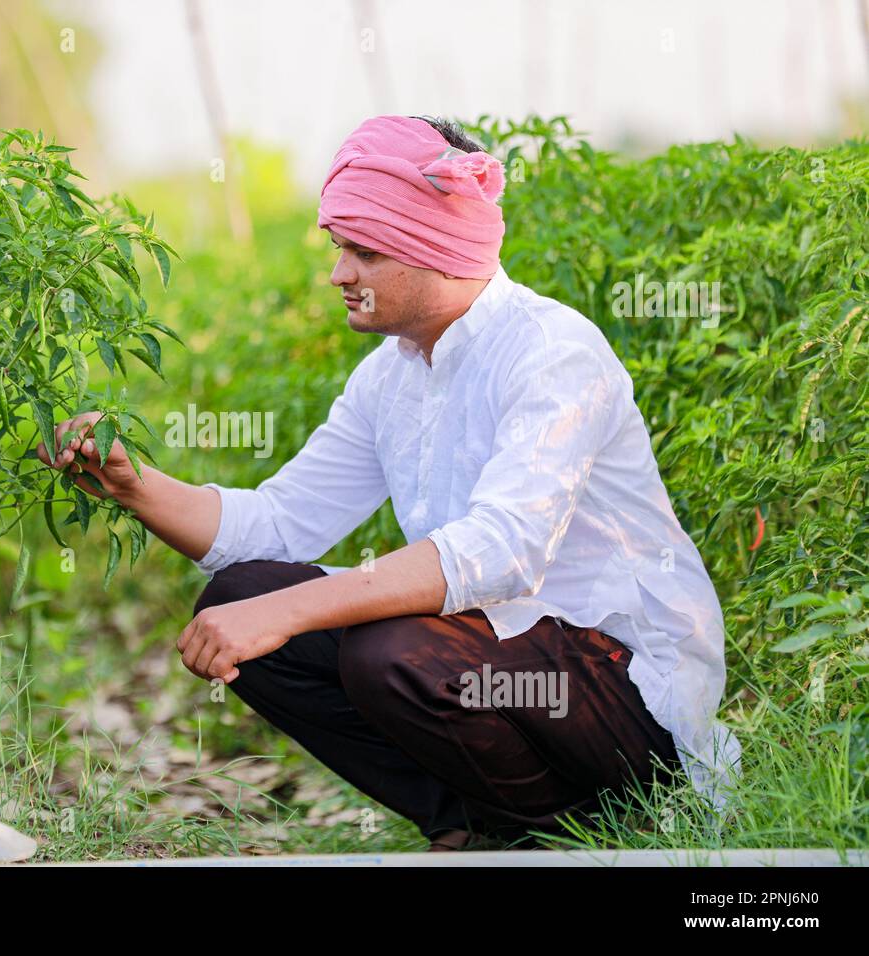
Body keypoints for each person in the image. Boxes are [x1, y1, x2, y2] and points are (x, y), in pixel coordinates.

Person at [37, 114, 742, 851]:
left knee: (387, 651)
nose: (340, 273)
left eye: (363, 251)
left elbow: (500, 552)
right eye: (340, 248)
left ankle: (574, 832)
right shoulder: (393, 374)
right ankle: (478, 825)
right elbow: (278, 523)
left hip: (624, 693)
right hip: (504, 662)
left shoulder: (552, 352)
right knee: (242, 597)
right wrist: (134, 485)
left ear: (432, 249)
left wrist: (296, 609)